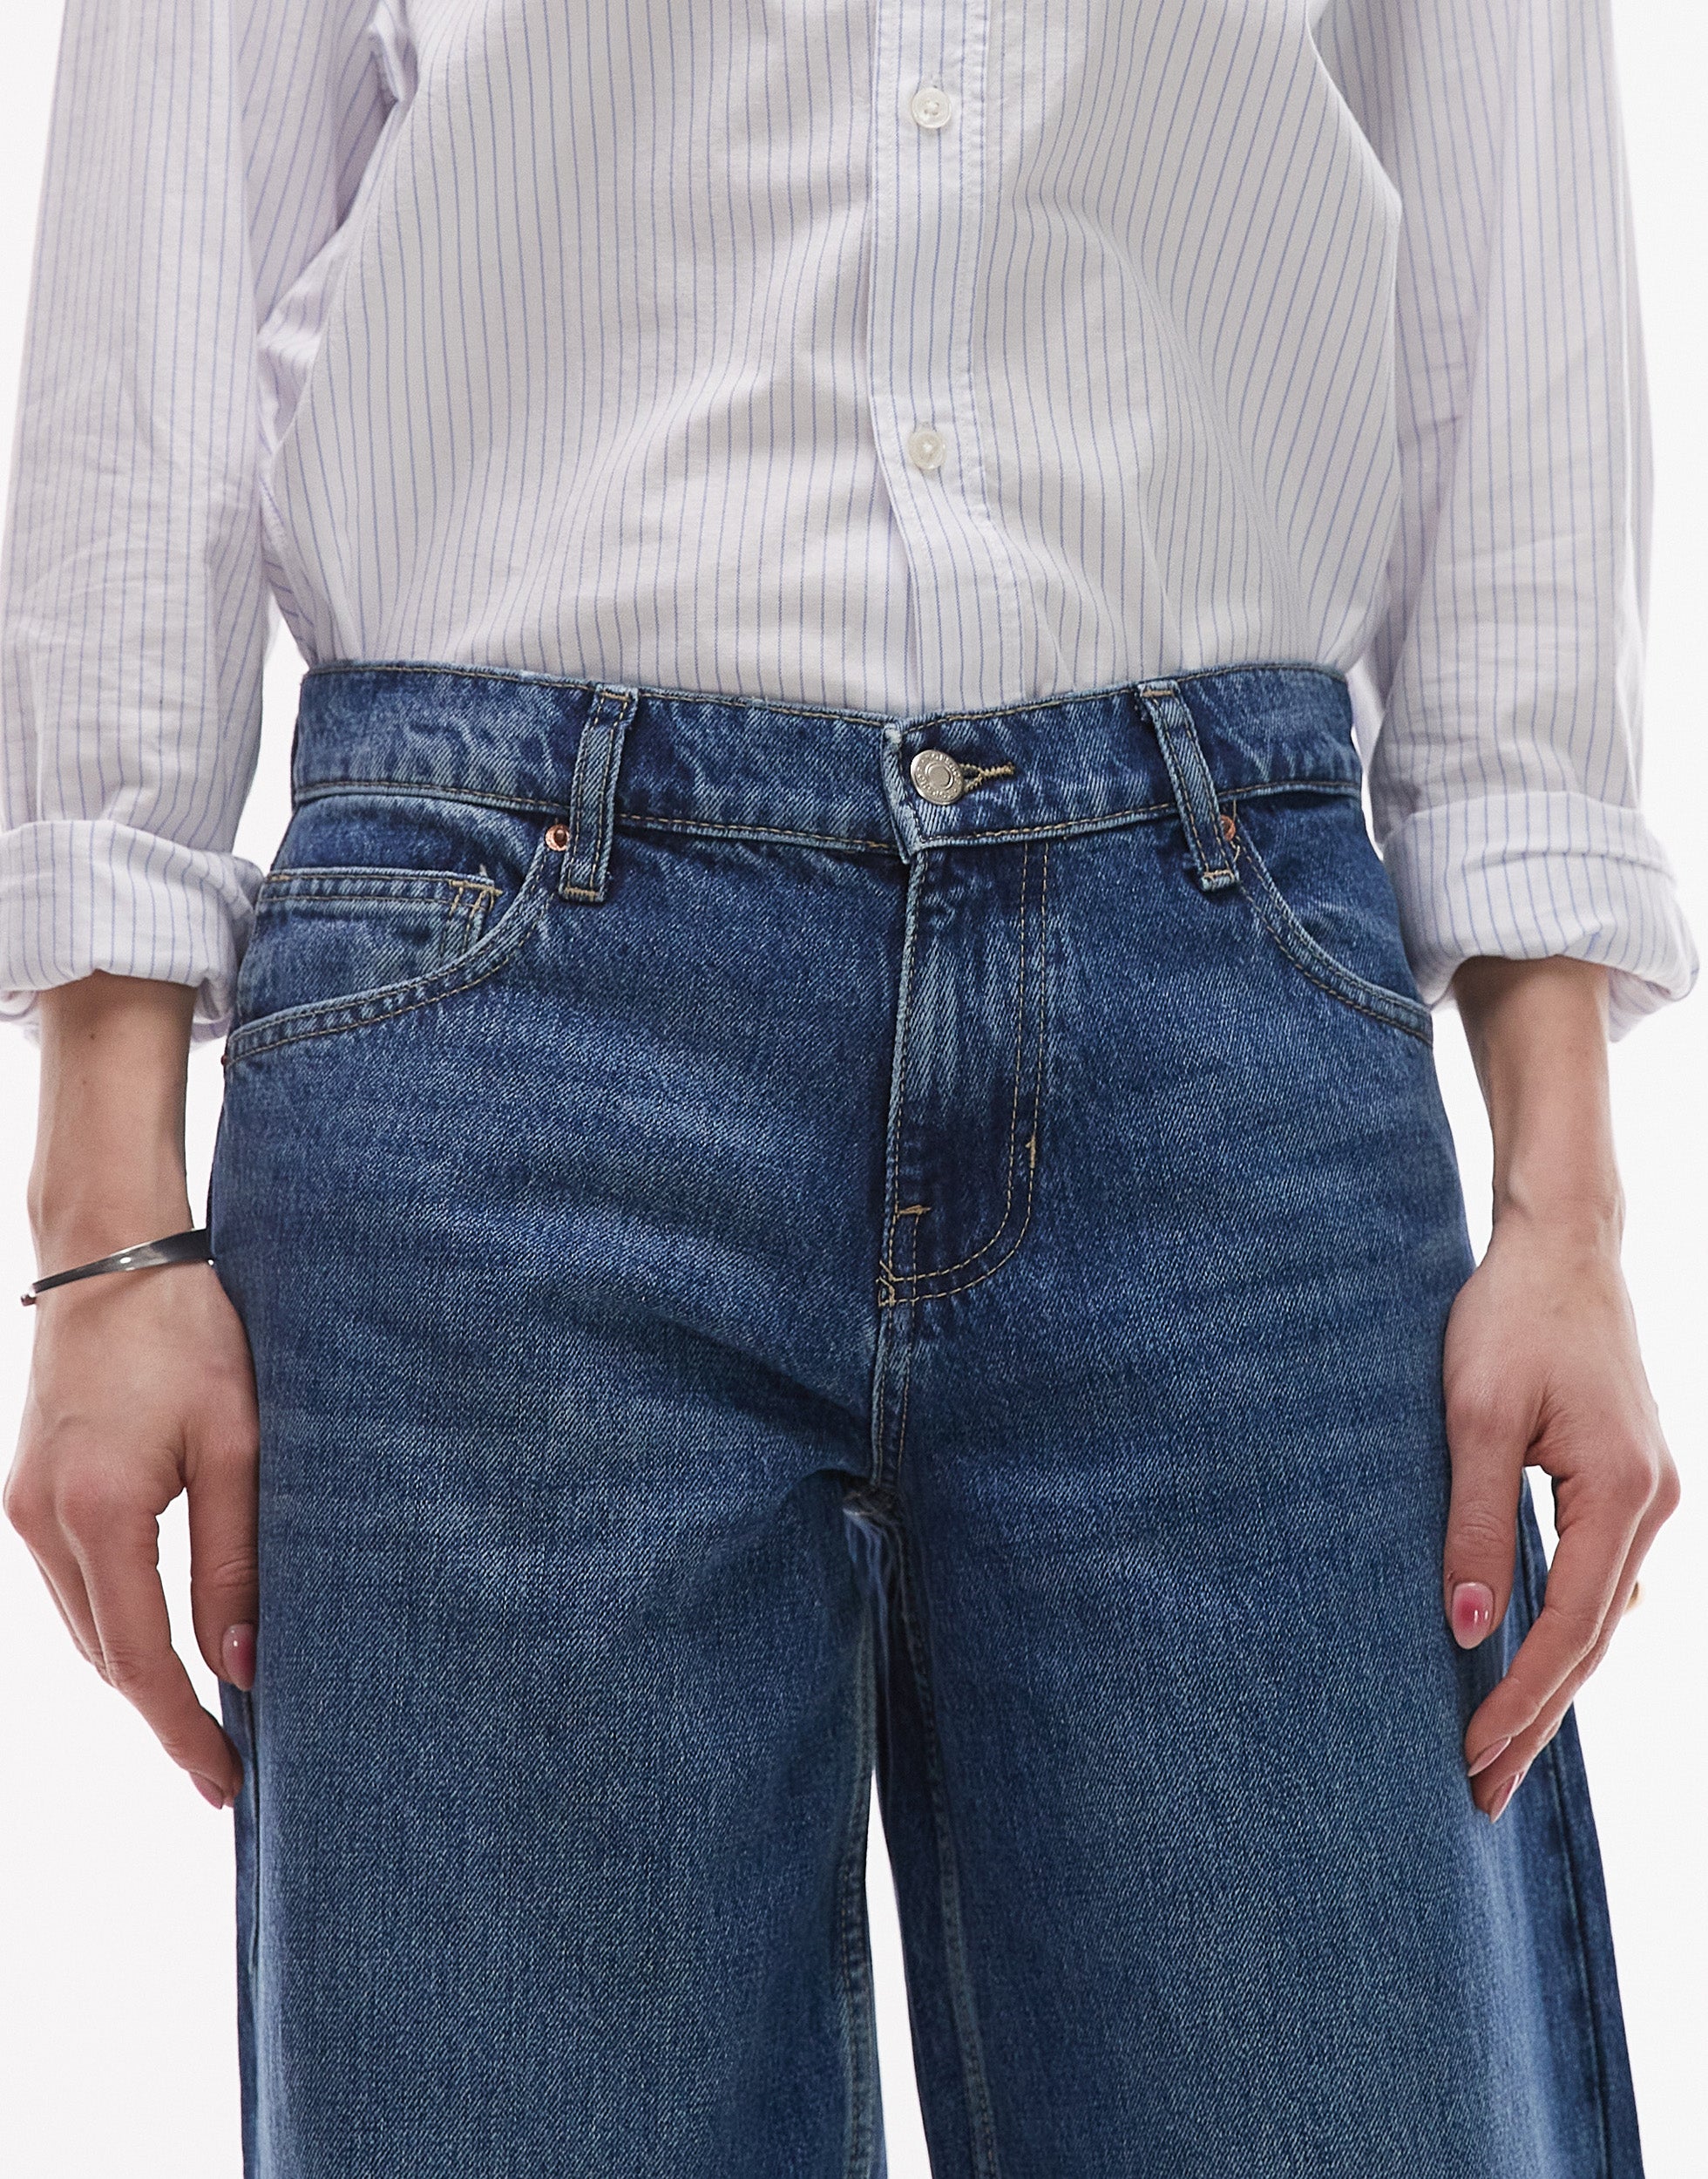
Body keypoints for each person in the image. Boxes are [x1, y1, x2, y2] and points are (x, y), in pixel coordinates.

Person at [0, 3, 1692, 2174]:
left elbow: (1499, 244)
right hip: (503, 1038)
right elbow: (161, 260)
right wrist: (103, 1215)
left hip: (1215, 1028)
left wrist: (1564, 1201)